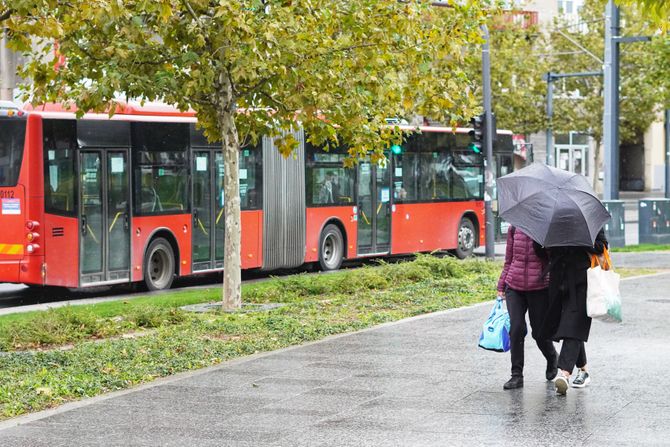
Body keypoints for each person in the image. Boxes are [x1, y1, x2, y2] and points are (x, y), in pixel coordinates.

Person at [541, 228, 608, 395]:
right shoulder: (554, 223)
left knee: (574, 325)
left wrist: (581, 240)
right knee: (570, 326)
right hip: (559, 282)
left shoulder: (587, 222)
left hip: (582, 282)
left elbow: (601, 246)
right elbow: (541, 249)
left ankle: (564, 374)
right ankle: (583, 370)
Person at [498, 226, 558, 390]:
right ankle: (516, 376)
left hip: (539, 287)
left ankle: (552, 357)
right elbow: (509, 259)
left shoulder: (545, 229)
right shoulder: (514, 228)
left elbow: (552, 259)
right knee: (516, 329)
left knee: (539, 333)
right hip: (514, 286)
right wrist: (501, 285)